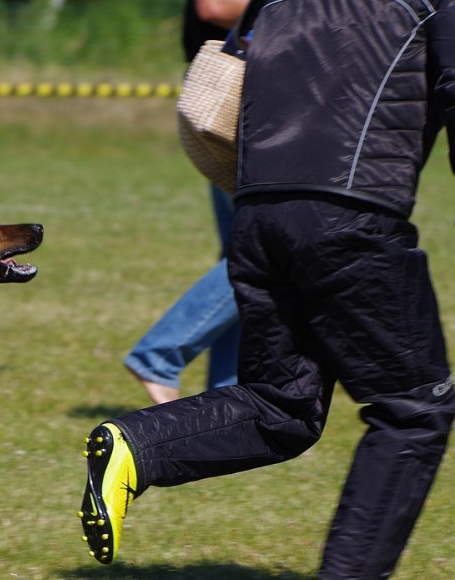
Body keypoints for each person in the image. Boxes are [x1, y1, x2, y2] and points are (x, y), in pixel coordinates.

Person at [79, 1, 455, 578]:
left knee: (284, 403)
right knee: (414, 408)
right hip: (350, 216)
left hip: (257, 214)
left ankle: (138, 443)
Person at [123, 0, 250, 405]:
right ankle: (160, 356)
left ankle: (226, 395)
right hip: (244, 104)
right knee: (259, 257)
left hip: (250, 102)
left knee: (242, 254)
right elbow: (213, 7)